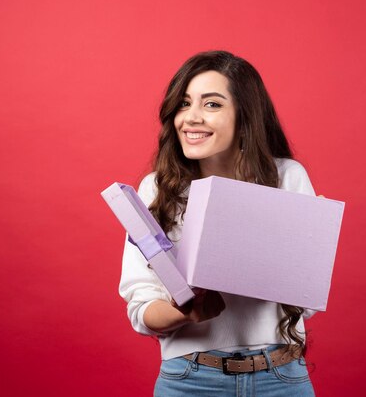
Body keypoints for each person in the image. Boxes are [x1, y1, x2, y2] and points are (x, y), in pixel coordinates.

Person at [119, 50, 317, 396]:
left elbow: (308, 299)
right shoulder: (157, 188)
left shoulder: (285, 177)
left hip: (280, 378)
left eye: (211, 104)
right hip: (191, 379)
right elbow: (141, 307)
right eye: (183, 104)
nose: (191, 118)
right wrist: (185, 312)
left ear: (245, 116)